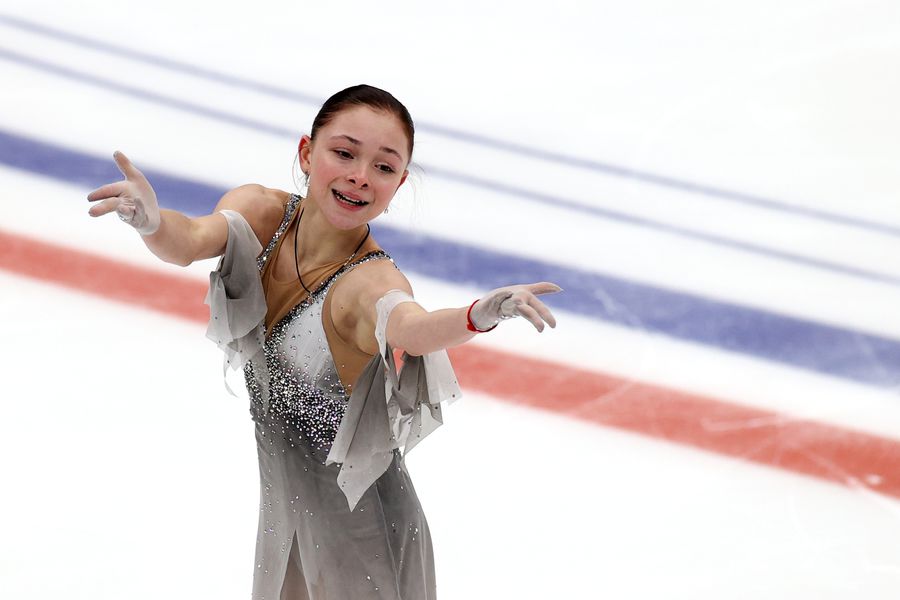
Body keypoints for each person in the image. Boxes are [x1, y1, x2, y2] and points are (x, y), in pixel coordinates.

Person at [87, 84, 560, 600]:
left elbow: (413, 330)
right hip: (287, 514)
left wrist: (477, 314)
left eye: (383, 167)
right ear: (307, 153)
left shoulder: (369, 282)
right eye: (344, 152)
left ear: (398, 184)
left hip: (360, 532)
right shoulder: (260, 213)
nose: (360, 175)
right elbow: (188, 242)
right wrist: (151, 222)